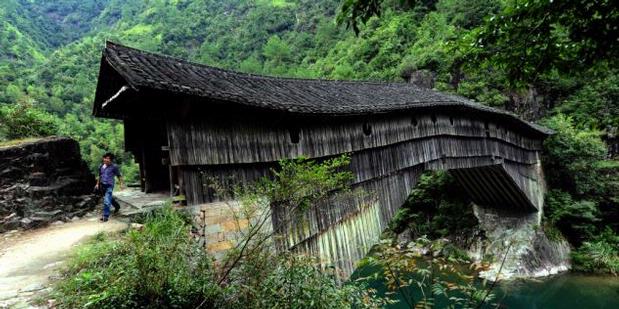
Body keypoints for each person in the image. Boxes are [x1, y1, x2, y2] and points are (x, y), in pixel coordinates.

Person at [95, 152, 123, 222]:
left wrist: (121, 184)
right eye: (105, 158)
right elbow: (99, 176)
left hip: (109, 185)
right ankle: (117, 206)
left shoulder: (114, 167)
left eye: (108, 158)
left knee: (107, 200)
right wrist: (97, 184)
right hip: (102, 186)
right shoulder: (101, 166)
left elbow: (119, 176)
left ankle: (105, 216)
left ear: (111, 160)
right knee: (109, 198)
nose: (106, 160)